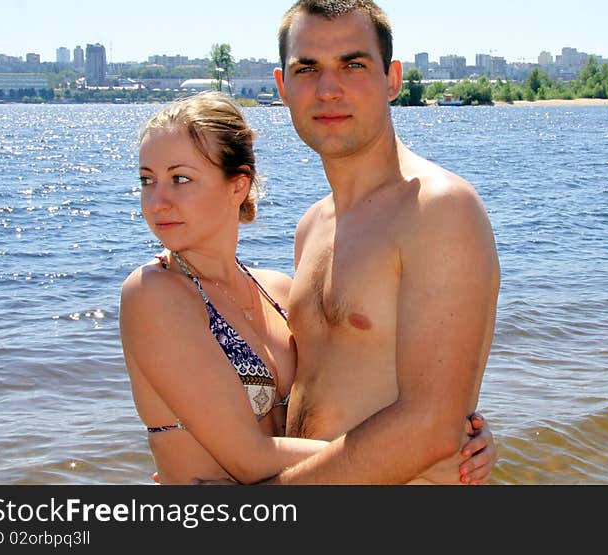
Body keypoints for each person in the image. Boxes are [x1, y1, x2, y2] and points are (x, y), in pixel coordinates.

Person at [119, 91, 496, 485]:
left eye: (180, 179)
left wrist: (462, 437)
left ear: (237, 186)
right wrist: (414, 454)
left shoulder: (278, 291)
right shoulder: (154, 293)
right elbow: (248, 457)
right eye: (147, 180)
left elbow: (345, 388)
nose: (157, 201)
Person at [255, 0, 501, 484]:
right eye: (307, 69)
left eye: (353, 65)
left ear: (392, 79)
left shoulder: (437, 209)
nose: (328, 89)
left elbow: (430, 428)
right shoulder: (312, 227)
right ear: (282, 86)